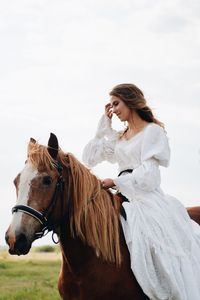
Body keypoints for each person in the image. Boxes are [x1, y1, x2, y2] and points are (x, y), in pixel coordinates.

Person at [82, 83, 200, 300]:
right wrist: (103, 127)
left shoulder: (152, 132)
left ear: (130, 100)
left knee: (154, 244)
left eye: (116, 103)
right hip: (124, 195)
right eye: (111, 106)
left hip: (146, 197)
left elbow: (150, 177)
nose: (114, 109)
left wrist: (116, 181)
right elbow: (89, 158)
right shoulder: (120, 137)